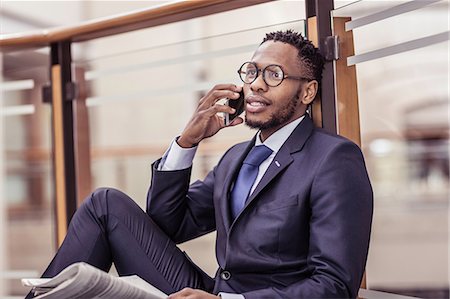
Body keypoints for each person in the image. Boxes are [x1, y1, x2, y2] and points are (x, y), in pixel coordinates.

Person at [29, 30, 373, 299]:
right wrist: (186, 143)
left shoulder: (333, 159)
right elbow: (169, 224)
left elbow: (334, 286)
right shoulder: (236, 157)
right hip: (211, 291)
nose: (254, 83)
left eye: (274, 75)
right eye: (251, 71)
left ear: (308, 92)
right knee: (104, 204)